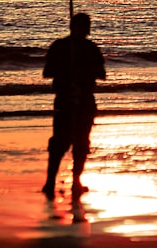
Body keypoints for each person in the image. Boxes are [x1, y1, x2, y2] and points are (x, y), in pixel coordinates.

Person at [41, 12, 105, 199]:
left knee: (81, 143)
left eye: (87, 26)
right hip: (65, 99)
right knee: (59, 142)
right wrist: (67, 68)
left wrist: (83, 70)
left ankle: (76, 181)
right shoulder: (60, 47)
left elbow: (102, 73)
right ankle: (50, 181)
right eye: (84, 26)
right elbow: (47, 72)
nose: (86, 29)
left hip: (85, 100)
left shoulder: (91, 48)